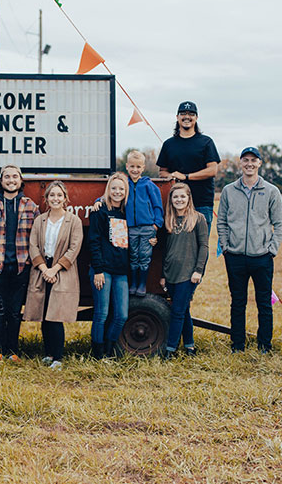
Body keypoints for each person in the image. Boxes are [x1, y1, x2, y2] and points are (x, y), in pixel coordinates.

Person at [217, 146, 282, 353]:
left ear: (259, 164)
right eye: (245, 160)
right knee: (237, 303)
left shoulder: (271, 191)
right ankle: (237, 345)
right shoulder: (229, 191)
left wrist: (271, 250)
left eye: (253, 160)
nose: (249, 164)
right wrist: (226, 246)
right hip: (235, 256)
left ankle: (264, 345)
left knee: (264, 303)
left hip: (261, 257)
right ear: (241, 163)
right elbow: (221, 221)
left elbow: (280, 224)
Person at [0, 165, 39, 362]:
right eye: (7, 176)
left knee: (15, 312)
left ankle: (12, 351)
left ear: (21, 180)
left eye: (15, 176)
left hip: (21, 266)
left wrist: (31, 260)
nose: (11, 180)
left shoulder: (30, 205)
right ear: (1, 180)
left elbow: (37, 236)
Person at [23, 181, 83, 370]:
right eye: (52, 195)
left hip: (62, 270)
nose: (55, 199)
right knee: (43, 314)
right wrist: (44, 269)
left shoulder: (74, 221)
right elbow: (33, 246)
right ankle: (48, 353)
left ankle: (58, 357)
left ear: (65, 199)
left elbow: (74, 249)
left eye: (59, 195)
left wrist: (54, 269)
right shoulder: (40, 220)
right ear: (46, 199)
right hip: (42, 269)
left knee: (55, 315)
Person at [93, 150, 163, 296]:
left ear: (143, 167)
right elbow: (108, 195)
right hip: (130, 227)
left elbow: (158, 206)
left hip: (147, 227)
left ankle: (142, 285)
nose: (135, 170)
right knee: (133, 256)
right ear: (127, 166)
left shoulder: (148, 185)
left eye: (138, 167)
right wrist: (98, 201)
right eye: (132, 166)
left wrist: (156, 225)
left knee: (144, 256)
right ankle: (134, 283)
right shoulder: (125, 184)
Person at [160, 183, 208, 358]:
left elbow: (204, 246)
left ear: (188, 198)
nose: (179, 200)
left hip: (188, 274)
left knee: (177, 311)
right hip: (171, 273)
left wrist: (198, 270)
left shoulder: (198, 219)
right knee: (184, 310)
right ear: (171, 200)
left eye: (182, 196)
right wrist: (162, 275)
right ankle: (190, 346)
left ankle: (170, 349)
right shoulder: (169, 220)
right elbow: (165, 250)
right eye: (175, 197)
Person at [156, 101, 220, 232]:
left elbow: (212, 170)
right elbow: (162, 172)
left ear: (196, 118)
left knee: (201, 245)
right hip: (176, 203)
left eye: (191, 114)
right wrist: (171, 176)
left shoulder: (206, 142)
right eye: (183, 113)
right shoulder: (169, 144)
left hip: (201, 203)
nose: (187, 117)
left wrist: (186, 177)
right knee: (177, 244)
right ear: (177, 117)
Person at [89, 172, 129, 359]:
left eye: (121, 188)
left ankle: (110, 349)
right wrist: (98, 270)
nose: (117, 192)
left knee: (121, 315)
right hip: (102, 270)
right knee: (101, 314)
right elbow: (94, 241)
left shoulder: (127, 212)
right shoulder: (100, 211)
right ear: (108, 190)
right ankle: (98, 354)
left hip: (121, 271)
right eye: (114, 188)